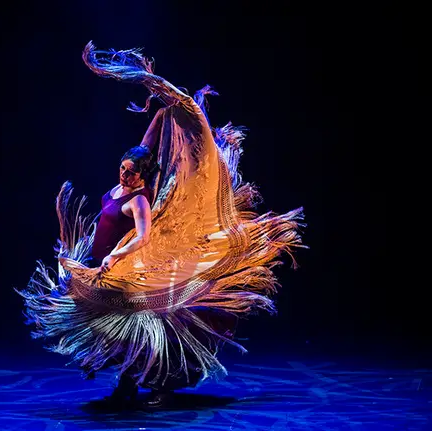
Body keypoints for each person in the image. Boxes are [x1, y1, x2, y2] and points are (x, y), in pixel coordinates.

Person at [19, 41, 305, 408]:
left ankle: (160, 384)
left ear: (143, 176)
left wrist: (116, 255)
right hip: (108, 266)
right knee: (120, 331)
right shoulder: (120, 187)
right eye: (122, 168)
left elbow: (142, 236)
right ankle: (127, 385)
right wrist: (161, 108)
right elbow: (146, 146)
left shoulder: (140, 198)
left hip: (131, 267)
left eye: (131, 172)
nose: (124, 175)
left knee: (146, 328)